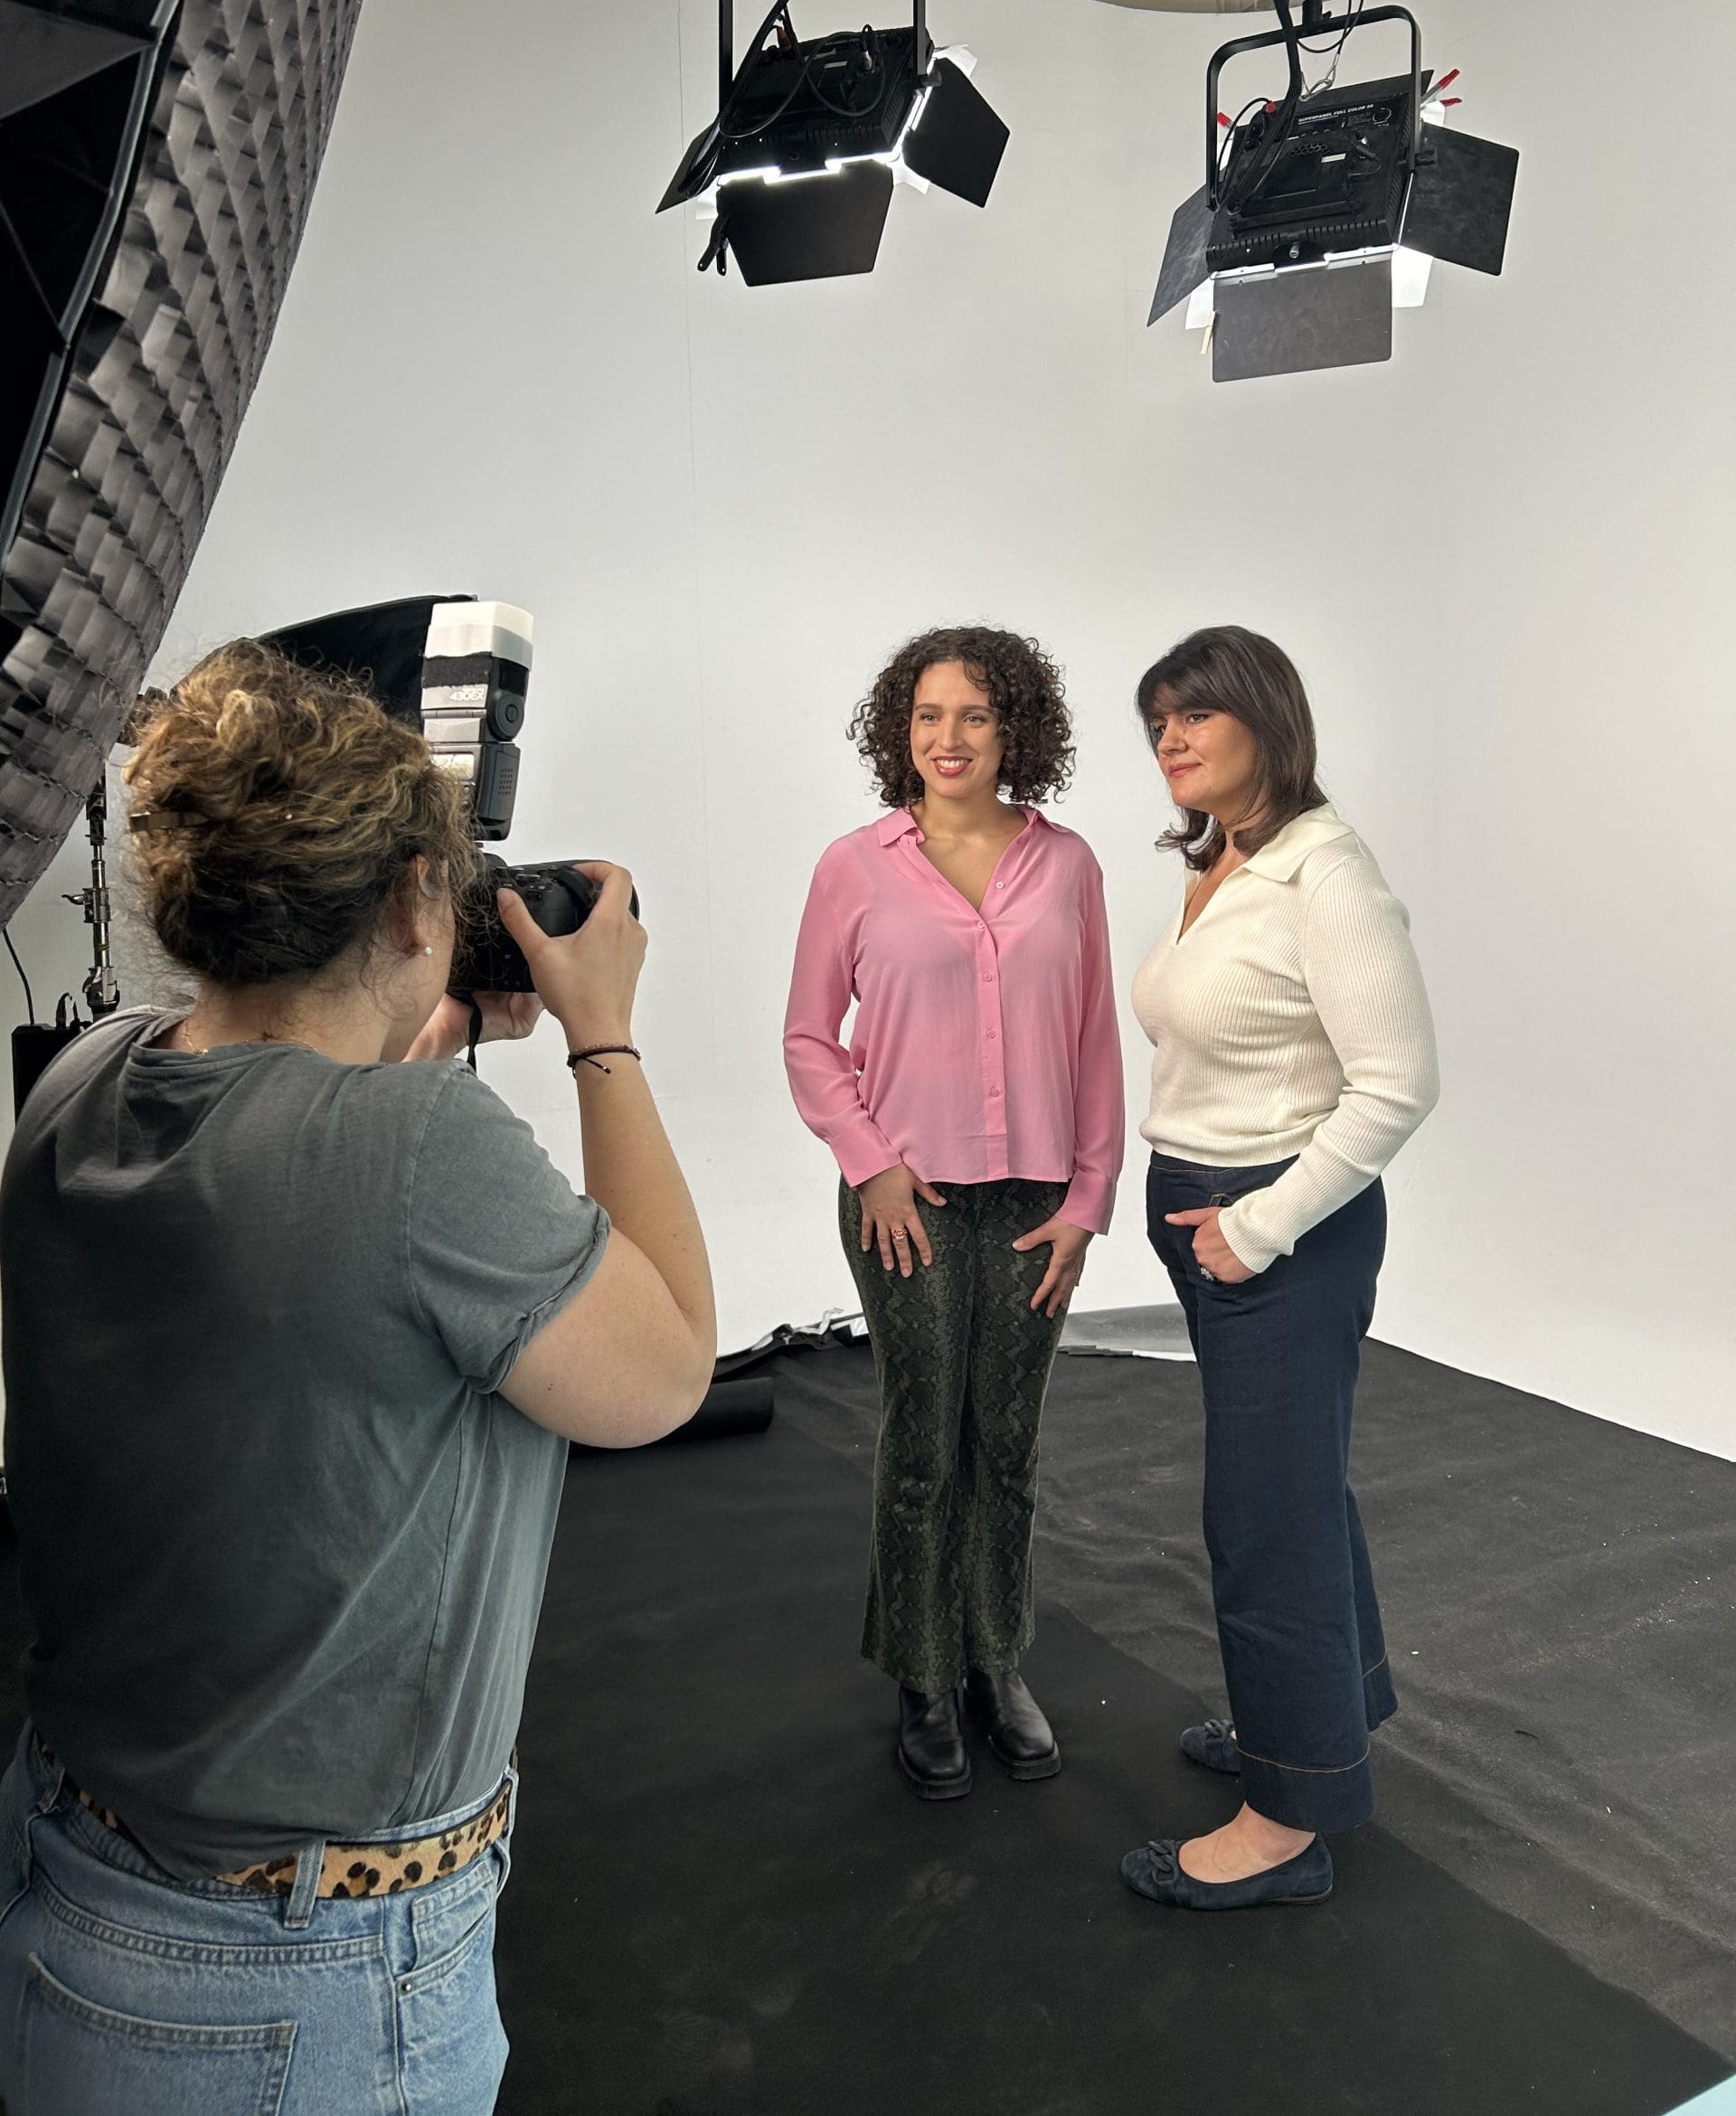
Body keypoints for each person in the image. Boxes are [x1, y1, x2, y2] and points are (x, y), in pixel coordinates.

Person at [0, 641, 715, 2114]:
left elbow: (302, 1189)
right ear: (409, 902)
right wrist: (605, 1037)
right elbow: (665, 1372)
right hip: (293, 1977)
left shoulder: (83, 1080)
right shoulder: (416, 1156)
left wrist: (417, 1029)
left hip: (71, 1861)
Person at [1117, 625, 1439, 1911]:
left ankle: (1288, 1821)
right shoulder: (1227, 859)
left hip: (1279, 1239)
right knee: (1294, 1493)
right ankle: (1319, 1718)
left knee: (1264, 1520)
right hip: (1214, 1220)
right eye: (1159, 723)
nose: (1171, 741)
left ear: (1267, 718)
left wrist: (1258, 1227)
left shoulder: (1327, 875)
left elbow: (1398, 1085)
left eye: (1196, 715)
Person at [784, 626, 1124, 1800]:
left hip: (1037, 1199)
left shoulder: (1068, 866)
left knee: (1007, 1444)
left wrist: (1090, 1198)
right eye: (929, 715)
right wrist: (869, 1163)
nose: (950, 738)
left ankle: (995, 1660)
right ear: (901, 729)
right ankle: (922, 1677)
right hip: (908, 1199)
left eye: (975, 714)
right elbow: (809, 1037)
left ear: (1015, 728)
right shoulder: (855, 867)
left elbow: (1093, 1042)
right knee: (926, 1441)